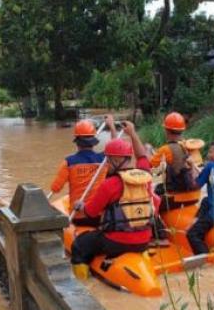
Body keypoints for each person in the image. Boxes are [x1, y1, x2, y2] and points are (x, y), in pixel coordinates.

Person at [70, 121, 160, 279]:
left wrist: (80, 206)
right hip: (145, 240)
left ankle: (83, 284)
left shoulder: (109, 184)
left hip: (116, 242)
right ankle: (143, 256)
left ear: (116, 161)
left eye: (108, 160)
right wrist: (132, 133)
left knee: (79, 245)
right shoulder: (145, 176)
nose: (106, 164)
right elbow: (142, 156)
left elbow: (91, 212)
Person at [49, 116, 117, 226]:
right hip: (99, 216)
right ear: (93, 142)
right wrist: (112, 127)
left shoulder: (68, 162)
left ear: (77, 142)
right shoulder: (103, 160)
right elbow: (116, 147)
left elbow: (55, 188)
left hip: (78, 216)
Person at [150, 112, 200, 210]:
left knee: (154, 193)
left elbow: (151, 165)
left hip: (176, 195)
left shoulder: (166, 149)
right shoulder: (188, 145)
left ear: (166, 130)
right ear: (182, 130)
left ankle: (155, 222)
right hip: (194, 194)